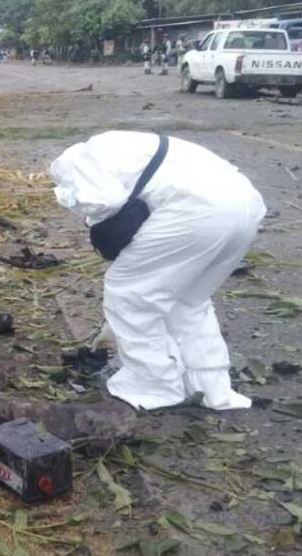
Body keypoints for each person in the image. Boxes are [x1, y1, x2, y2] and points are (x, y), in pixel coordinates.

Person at [49, 131, 266, 411]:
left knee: (129, 294)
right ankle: (210, 389)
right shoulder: (127, 145)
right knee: (188, 301)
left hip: (197, 209)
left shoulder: (73, 162)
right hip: (245, 205)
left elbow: (102, 201)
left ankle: (153, 386)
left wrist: (101, 228)